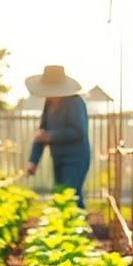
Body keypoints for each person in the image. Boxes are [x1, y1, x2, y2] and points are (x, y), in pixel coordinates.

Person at [25, 65, 91, 209]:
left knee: (71, 196)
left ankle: (79, 229)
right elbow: (41, 134)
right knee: (61, 195)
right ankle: (69, 228)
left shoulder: (75, 102)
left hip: (76, 159)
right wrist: (33, 161)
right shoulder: (49, 103)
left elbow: (78, 131)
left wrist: (50, 137)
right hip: (58, 158)